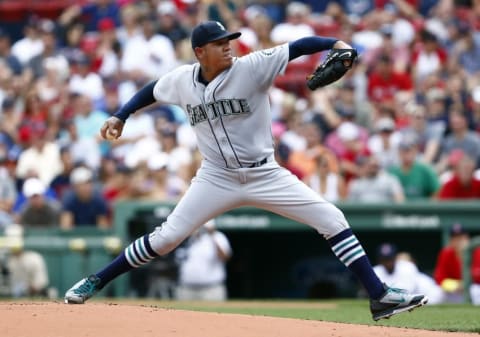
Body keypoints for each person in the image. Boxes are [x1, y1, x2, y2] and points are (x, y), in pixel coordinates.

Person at [64, 20, 427, 321]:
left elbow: (298, 46)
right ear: (200, 52)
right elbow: (151, 91)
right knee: (165, 238)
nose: (229, 47)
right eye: (220, 43)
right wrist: (120, 115)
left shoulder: (253, 66)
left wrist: (337, 42)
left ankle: (379, 296)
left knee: (331, 218)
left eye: (229, 41)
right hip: (215, 176)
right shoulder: (180, 80)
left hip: (265, 173)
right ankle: (95, 281)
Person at [175, 219, 232, 301]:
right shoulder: (188, 239)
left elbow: (224, 257)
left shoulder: (218, 237)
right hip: (186, 288)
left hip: (211, 289)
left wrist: (212, 235)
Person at [373, 243, 444, 305]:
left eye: (389, 259)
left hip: (430, 293)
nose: (387, 262)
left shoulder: (408, 267)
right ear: (379, 260)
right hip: (413, 301)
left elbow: (408, 292)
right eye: (384, 259)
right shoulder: (376, 271)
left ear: (395, 258)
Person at [433, 223, 480, 304]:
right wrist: (454, 285)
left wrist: (465, 283)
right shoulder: (446, 253)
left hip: (472, 289)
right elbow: (439, 278)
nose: (459, 241)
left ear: (467, 239)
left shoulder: (477, 252)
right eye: (455, 238)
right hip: (454, 291)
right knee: (437, 293)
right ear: (451, 241)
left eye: (461, 238)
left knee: (476, 291)